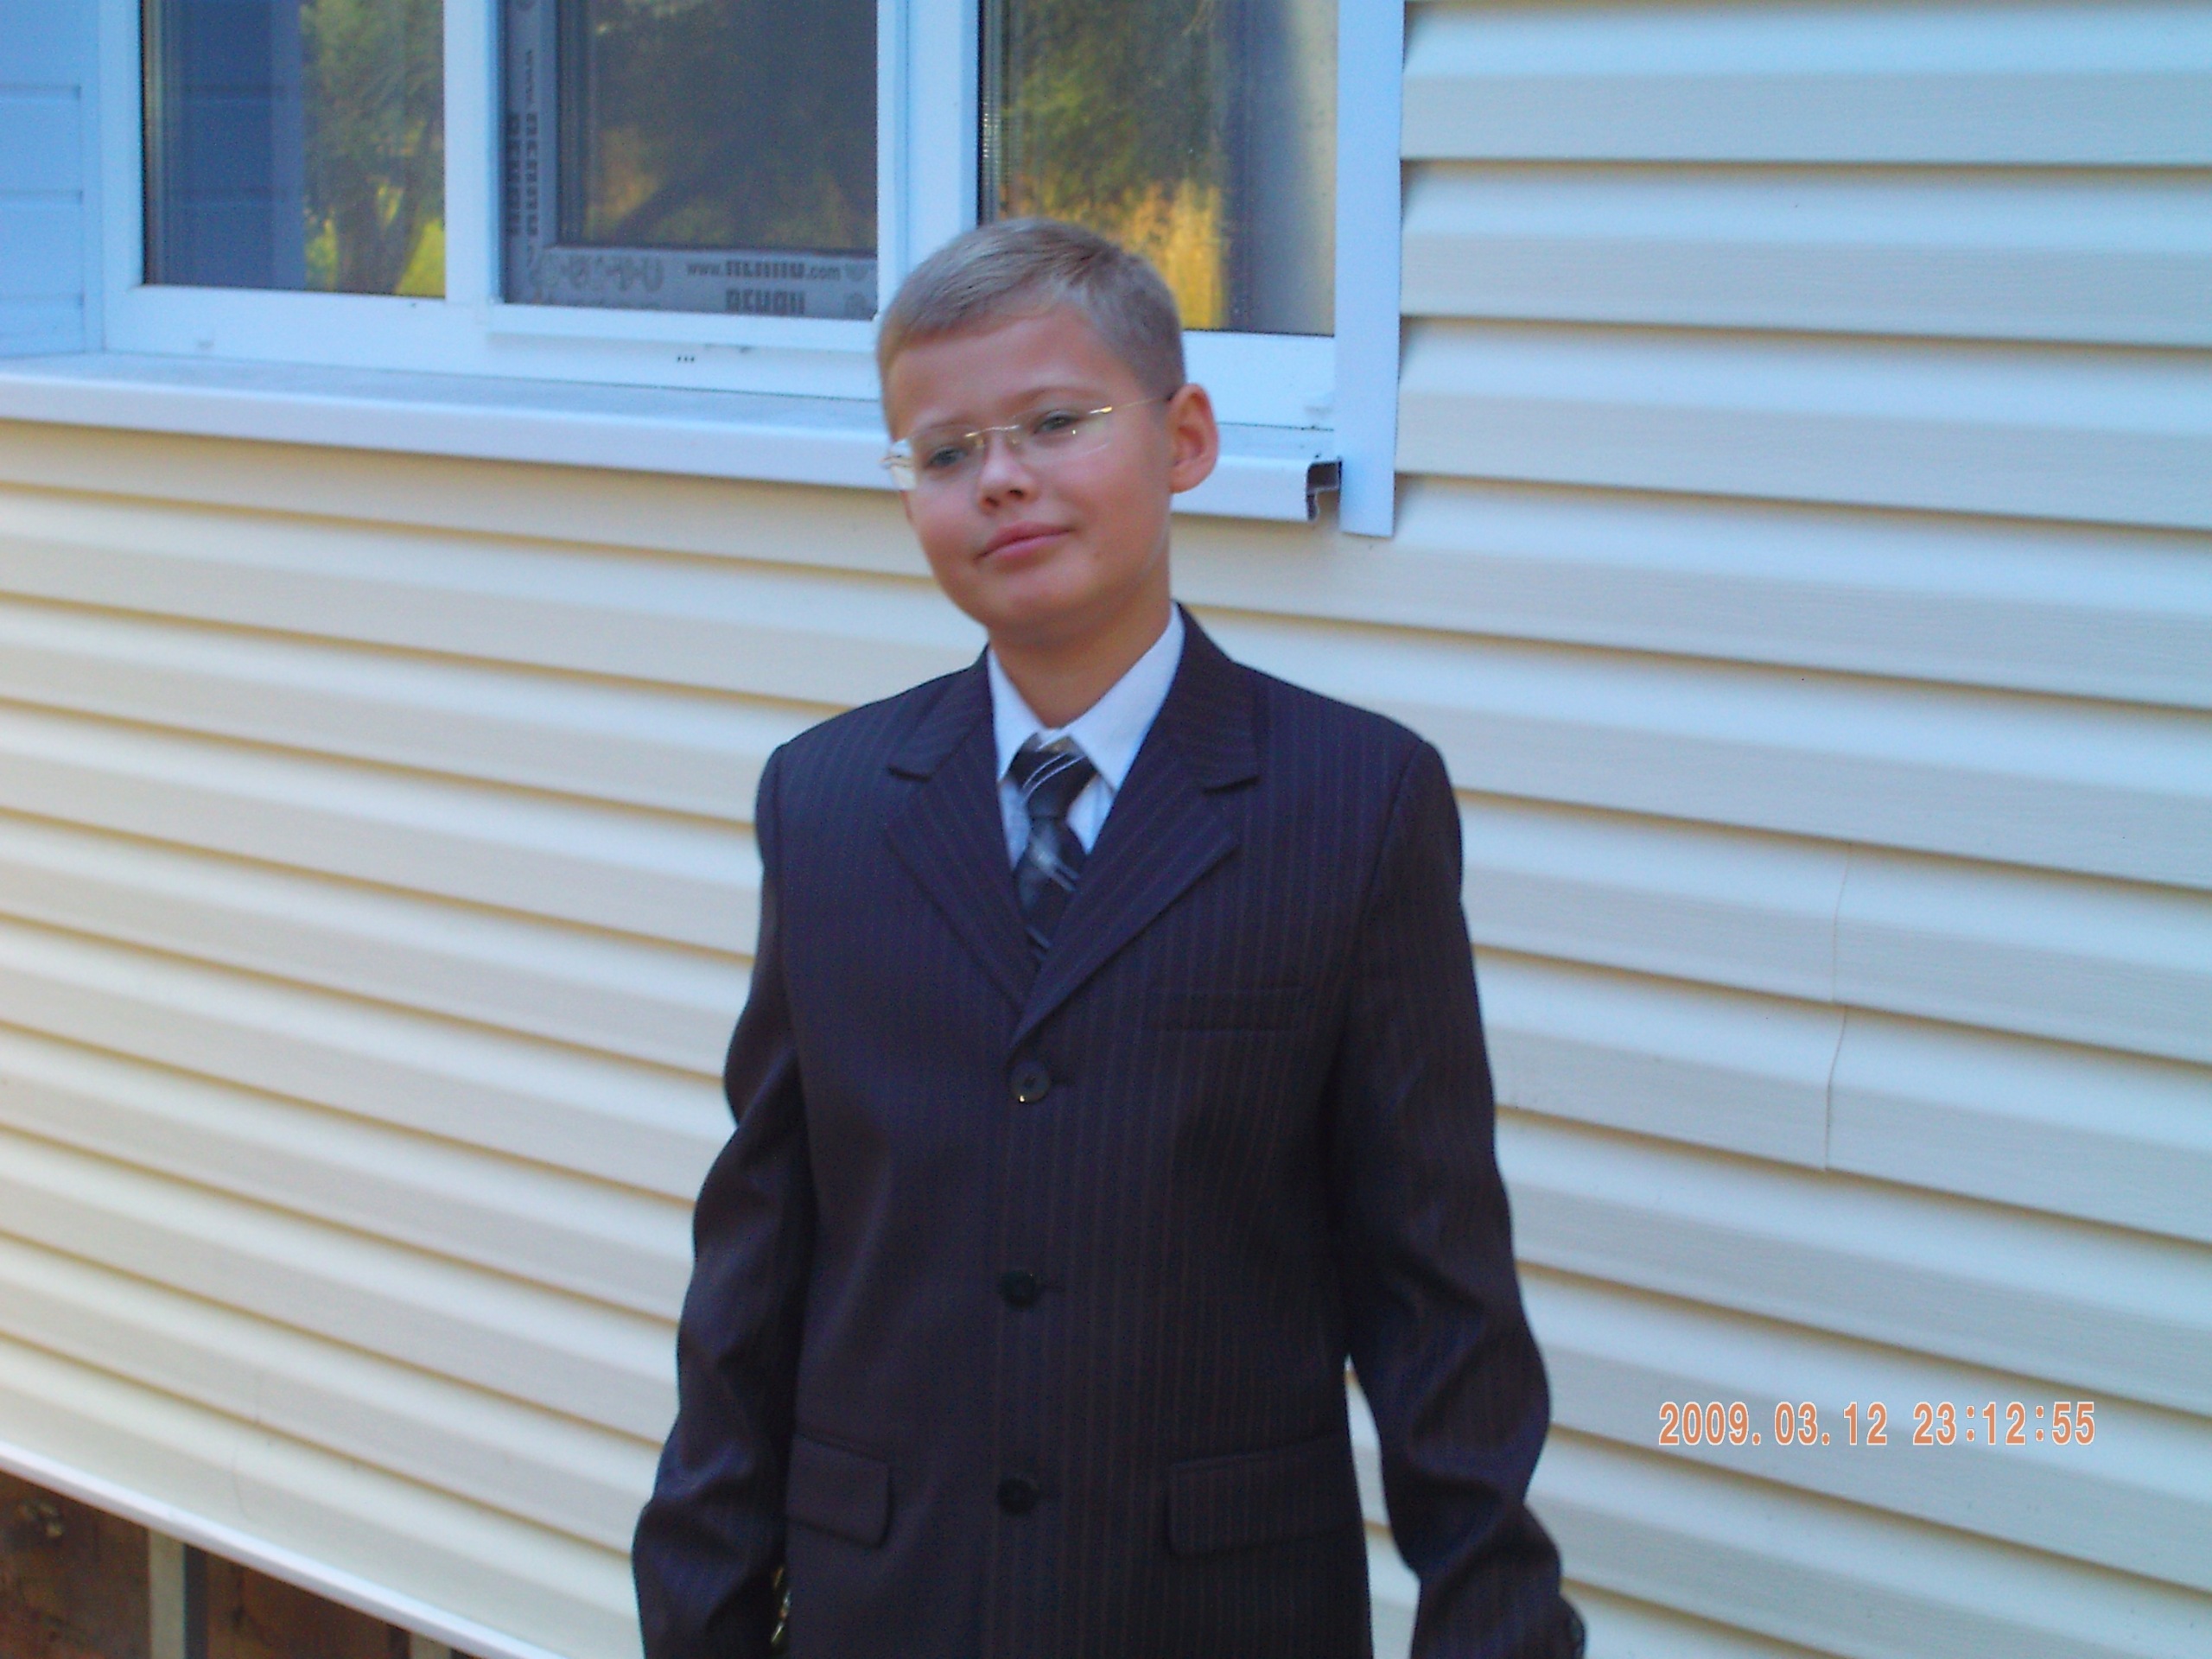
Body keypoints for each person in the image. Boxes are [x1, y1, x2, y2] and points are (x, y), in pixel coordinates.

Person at [632, 218, 1582, 1659]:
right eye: (944, 452)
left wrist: (1493, 1627)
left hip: (1216, 1609)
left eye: (1056, 423)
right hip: (890, 1601)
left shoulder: (1354, 802)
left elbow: (1435, 1290)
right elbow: (757, 1265)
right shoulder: (825, 803)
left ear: (1183, 438)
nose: (1001, 477)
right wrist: (699, 1613)